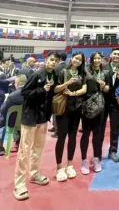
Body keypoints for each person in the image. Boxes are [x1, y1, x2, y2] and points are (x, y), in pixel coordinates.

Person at [13, 52, 57, 201]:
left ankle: (34, 174)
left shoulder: (54, 76)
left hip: (42, 118)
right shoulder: (37, 74)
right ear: (46, 60)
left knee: (38, 148)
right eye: (51, 60)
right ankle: (19, 184)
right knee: (25, 151)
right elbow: (24, 92)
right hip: (30, 118)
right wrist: (41, 90)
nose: (53, 63)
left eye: (55, 61)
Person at [54, 52, 87, 182]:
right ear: (71, 58)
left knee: (73, 136)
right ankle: (59, 167)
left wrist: (73, 93)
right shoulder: (63, 72)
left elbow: (84, 89)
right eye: (76, 58)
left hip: (77, 108)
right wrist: (67, 83)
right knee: (61, 137)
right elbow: (56, 89)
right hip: (64, 108)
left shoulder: (82, 74)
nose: (77, 61)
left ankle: (70, 164)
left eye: (80, 59)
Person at [80, 52, 110, 174]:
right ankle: (84, 160)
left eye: (99, 58)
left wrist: (103, 86)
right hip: (87, 105)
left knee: (97, 134)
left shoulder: (106, 72)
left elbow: (108, 89)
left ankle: (96, 158)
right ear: (91, 59)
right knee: (86, 134)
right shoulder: (85, 71)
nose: (97, 60)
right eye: (95, 58)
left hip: (100, 106)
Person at [102, 48, 119, 162]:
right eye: (115, 54)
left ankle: (113, 151)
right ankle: (98, 151)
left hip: (116, 102)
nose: (117, 56)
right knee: (100, 127)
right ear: (111, 55)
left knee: (115, 128)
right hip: (103, 101)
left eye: (118, 54)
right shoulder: (104, 67)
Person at [0, 74, 27, 156]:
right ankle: (19, 142)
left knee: (3, 120)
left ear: (17, 83)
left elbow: (2, 110)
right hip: (27, 120)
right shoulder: (32, 94)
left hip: (12, 122)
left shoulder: (12, 96)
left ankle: (0, 148)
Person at [49, 52, 67, 138]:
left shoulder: (56, 67)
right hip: (65, 91)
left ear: (57, 58)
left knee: (56, 111)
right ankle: (55, 127)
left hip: (57, 92)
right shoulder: (67, 66)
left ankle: (57, 130)